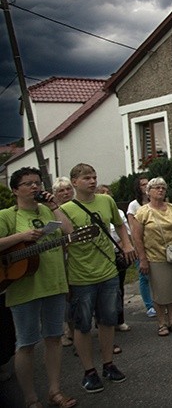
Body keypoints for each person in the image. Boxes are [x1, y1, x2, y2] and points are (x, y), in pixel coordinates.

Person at [0, 167, 77, 408]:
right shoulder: (7, 215)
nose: (35, 187)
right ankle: (30, 398)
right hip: (23, 287)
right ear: (15, 189)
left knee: (54, 338)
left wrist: (55, 206)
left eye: (37, 182)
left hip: (53, 282)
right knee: (26, 343)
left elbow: (69, 232)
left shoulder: (47, 210)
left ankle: (55, 391)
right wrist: (21, 237)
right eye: (28, 183)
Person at [60, 163, 136, 394]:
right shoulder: (64, 209)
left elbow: (119, 225)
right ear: (74, 182)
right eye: (86, 178)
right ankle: (89, 371)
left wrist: (126, 243)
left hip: (108, 271)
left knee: (108, 320)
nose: (92, 181)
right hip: (81, 276)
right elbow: (64, 237)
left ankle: (108, 364)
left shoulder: (106, 201)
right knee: (83, 326)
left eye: (94, 177)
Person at [131, 177, 172, 337]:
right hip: (154, 257)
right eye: (156, 188)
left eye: (163, 188)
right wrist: (142, 258)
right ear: (148, 192)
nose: (160, 190)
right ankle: (161, 323)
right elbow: (137, 237)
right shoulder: (143, 212)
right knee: (159, 292)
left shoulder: (171, 208)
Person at [95, 184, 131, 339]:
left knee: (118, 289)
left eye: (108, 193)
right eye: (102, 193)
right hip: (101, 256)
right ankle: (102, 321)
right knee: (101, 291)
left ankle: (119, 319)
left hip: (117, 254)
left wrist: (123, 247)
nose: (106, 195)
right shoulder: (96, 212)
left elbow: (125, 231)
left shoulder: (118, 212)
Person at [126, 176, 155, 318]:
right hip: (141, 244)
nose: (146, 186)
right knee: (144, 276)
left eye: (147, 184)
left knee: (157, 276)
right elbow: (132, 227)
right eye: (143, 184)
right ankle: (149, 305)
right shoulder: (134, 205)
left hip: (155, 245)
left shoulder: (155, 202)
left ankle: (159, 302)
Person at [52, 177, 75, 348]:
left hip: (76, 256)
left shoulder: (77, 207)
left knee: (75, 295)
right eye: (61, 190)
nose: (66, 193)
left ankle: (77, 329)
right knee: (64, 297)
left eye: (68, 189)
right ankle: (66, 329)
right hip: (58, 258)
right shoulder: (51, 211)